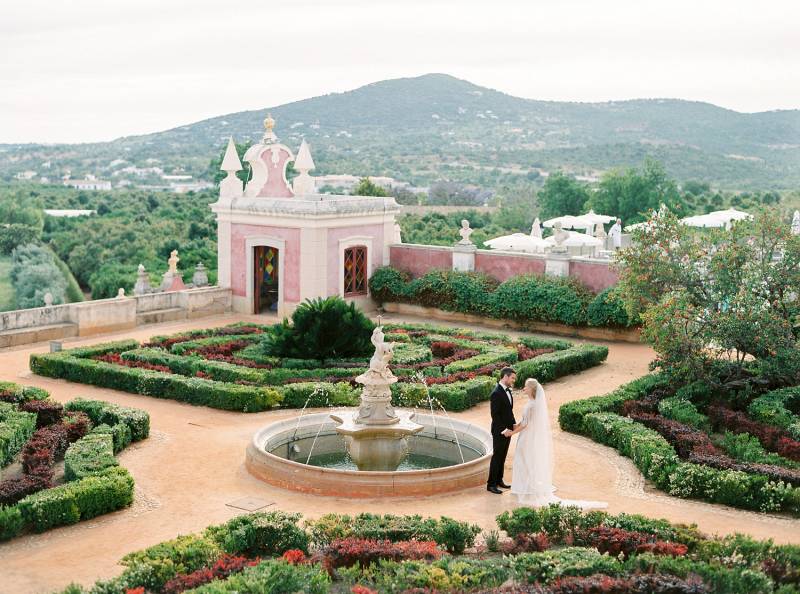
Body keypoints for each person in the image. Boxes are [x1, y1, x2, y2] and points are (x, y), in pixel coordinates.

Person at [509, 378, 607, 509]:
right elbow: (524, 421)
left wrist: (512, 432)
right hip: (525, 435)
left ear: (532, 389)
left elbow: (526, 424)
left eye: (526, 387)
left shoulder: (533, 405)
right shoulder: (532, 403)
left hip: (527, 436)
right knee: (525, 459)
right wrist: (514, 426)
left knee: (523, 459)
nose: (523, 388)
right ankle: (527, 484)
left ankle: (526, 485)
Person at [487, 367, 516, 494]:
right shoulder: (496, 393)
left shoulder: (507, 391)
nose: (513, 380)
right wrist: (504, 430)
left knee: (503, 457)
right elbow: (495, 415)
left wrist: (514, 425)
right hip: (500, 431)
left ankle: (499, 480)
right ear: (505, 376)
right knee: (497, 457)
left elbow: (509, 411)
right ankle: (491, 484)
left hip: (508, 430)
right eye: (512, 378)